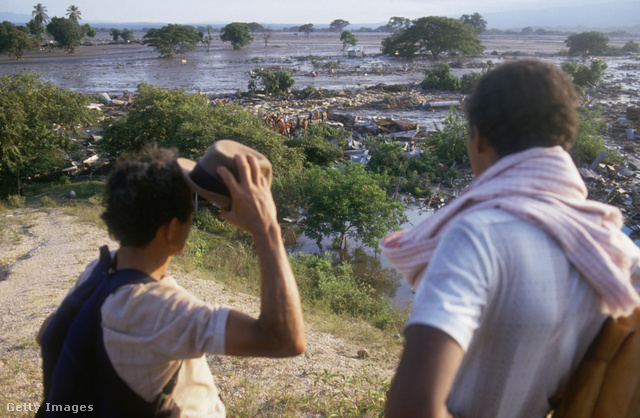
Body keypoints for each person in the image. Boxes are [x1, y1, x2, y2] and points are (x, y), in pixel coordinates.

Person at [382, 59, 640, 417]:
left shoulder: (477, 237)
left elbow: (413, 408)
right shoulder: (615, 253)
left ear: (479, 138)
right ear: (562, 138)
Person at [38, 141, 305, 416]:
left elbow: (47, 333)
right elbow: (283, 339)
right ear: (172, 229)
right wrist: (267, 227)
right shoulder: (160, 311)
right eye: (190, 214)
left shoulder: (99, 269)